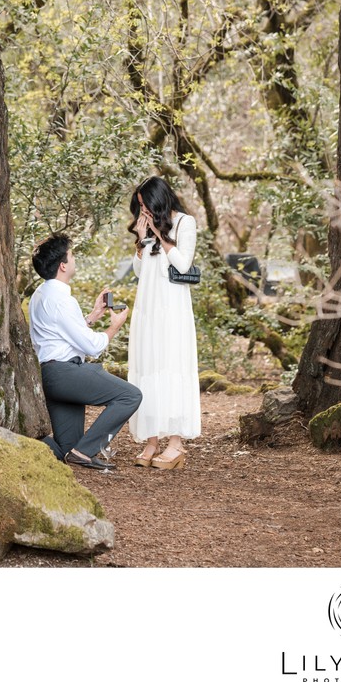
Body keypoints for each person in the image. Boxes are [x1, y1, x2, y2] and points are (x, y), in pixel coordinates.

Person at [29, 233, 142, 471]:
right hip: (66, 373)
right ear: (62, 265)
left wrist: (92, 316)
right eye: (71, 255)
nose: (74, 259)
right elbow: (92, 346)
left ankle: (33, 446)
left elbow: (61, 332)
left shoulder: (40, 294)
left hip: (50, 375)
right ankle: (86, 451)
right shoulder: (62, 300)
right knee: (130, 396)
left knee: (65, 448)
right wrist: (115, 326)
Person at [127, 177, 201, 469]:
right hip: (147, 307)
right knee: (149, 367)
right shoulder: (147, 227)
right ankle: (152, 440)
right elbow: (138, 270)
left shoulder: (185, 223)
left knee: (172, 366)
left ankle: (175, 443)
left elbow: (183, 264)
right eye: (140, 206)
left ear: (160, 201)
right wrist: (140, 240)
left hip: (172, 309)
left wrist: (160, 234)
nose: (143, 210)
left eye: (146, 205)